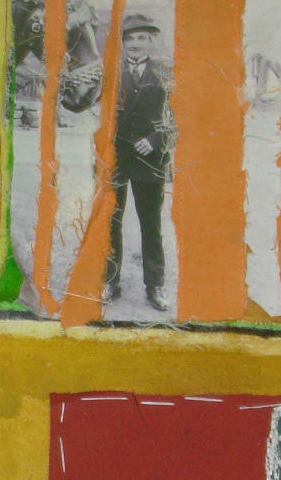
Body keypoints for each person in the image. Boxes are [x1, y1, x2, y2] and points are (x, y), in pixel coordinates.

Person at [105, 12, 173, 312]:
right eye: (130, 38)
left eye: (141, 38)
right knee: (111, 222)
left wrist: (155, 139)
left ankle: (155, 285)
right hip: (116, 159)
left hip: (150, 162)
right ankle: (110, 281)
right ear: (123, 42)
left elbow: (178, 117)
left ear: (150, 41)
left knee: (151, 224)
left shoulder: (165, 74)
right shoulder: (112, 73)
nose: (135, 44)